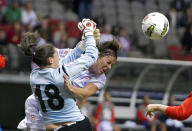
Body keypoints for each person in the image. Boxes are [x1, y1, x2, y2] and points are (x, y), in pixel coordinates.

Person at [18, 35, 120, 130]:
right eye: (108, 62)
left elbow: (84, 93)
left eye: (112, 65)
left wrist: (70, 87)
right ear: (98, 55)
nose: (109, 67)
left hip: (59, 107)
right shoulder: (74, 60)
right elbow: (51, 54)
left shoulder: (100, 78)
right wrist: (87, 39)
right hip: (54, 108)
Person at [18, 18, 98, 131]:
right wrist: (89, 33)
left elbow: (66, 60)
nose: (60, 56)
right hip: (77, 125)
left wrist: (83, 43)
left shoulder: (34, 75)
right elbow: (91, 57)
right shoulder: (60, 74)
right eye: (57, 54)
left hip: (56, 127)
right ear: (50, 60)